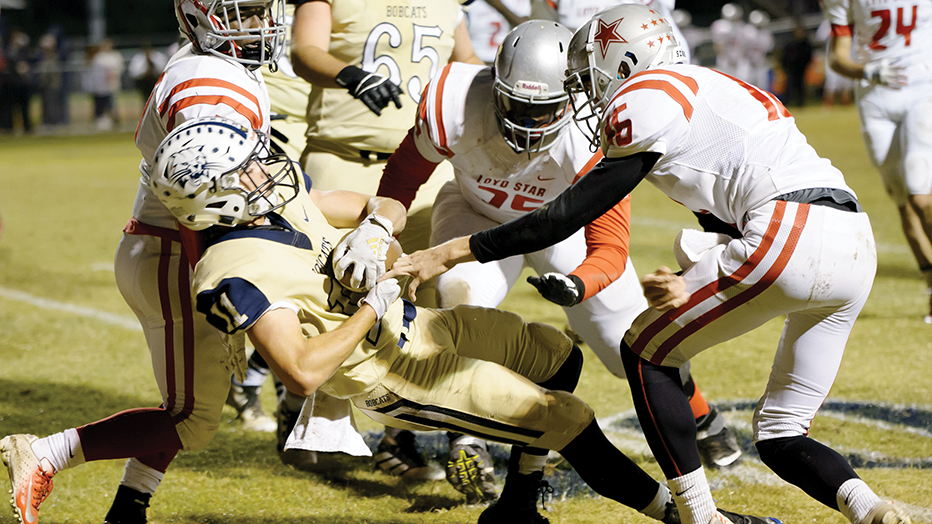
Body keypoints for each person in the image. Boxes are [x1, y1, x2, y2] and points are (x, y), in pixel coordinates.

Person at [386, 4, 912, 524]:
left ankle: (700, 517)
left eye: (590, 74)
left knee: (641, 352)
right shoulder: (711, 90)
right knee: (781, 433)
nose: (586, 91)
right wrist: (691, 274)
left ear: (623, 62)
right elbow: (729, 206)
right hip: (850, 239)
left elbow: (560, 220)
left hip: (787, 229)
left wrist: (449, 250)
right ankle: (870, 509)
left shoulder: (644, 97)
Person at [150, 114, 757, 524]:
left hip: (415, 325)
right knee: (568, 418)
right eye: (247, 171)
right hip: (389, 374)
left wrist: (373, 236)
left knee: (557, 356)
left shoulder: (275, 207)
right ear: (218, 197)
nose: (265, 170)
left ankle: (516, 506)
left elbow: (365, 206)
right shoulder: (232, 273)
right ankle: (687, 517)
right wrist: (372, 304)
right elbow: (303, 372)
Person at [376, 20, 741, 503]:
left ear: (572, 96)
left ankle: (699, 412)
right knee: (461, 303)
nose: (529, 124)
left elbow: (609, 249)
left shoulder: (598, 129)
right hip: (474, 213)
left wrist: (579, 285)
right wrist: (376, 228)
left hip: (562, 226)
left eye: (543, 109)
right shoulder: (457, 100)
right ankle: (468, 437)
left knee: (629, 342)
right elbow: (402, 178)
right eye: (518, 106)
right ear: (493, 84)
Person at [0, 3, 286, 524]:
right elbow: (199, 196)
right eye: (243, 13)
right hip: (176, 251)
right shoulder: (212, 81)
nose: (260, 25)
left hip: (170, 247)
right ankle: (44, 453)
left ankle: (129, 507)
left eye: (262, 12)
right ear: (205, 17)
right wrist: (216, 274)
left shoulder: (216, 67)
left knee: (188, 399)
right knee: (192, 418)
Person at [287, 0, 486, 481]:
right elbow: (303, 51)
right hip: (342, 157)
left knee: (433, 298)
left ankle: (404, 436)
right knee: (333, 295)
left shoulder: (447, 5)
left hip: (421, 171)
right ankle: (307, 415)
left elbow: (471, 69)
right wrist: (348, 75)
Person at [821, 0, 932, 322]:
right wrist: (868, 70)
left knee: (920, 194)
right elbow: (838, 58)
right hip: (875, 97)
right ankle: (930, 286)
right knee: (902, 201)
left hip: (921, 89)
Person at [85, 38, 125, 131]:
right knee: (98, 105)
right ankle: (98, 122)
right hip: (98, 87)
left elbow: (118, 69)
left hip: (110, 86)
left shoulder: (115, 56)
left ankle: (114, 122)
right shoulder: (98, 57)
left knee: (111, 104)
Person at [780, 23, 814, 107]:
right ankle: (786, 102)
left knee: (800, 86)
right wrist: (784, 66)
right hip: (791, 68)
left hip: (801, 67)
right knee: (789, 85)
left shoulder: (805, 44)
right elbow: (784, 56)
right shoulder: (790, 43)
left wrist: (806, 64)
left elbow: (808, 55)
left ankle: (800, 103)